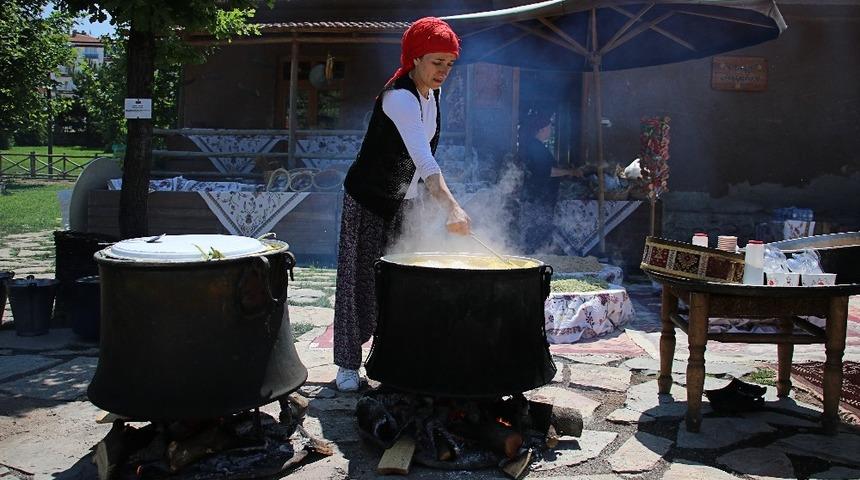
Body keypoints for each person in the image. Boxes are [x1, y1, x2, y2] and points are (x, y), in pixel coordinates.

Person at [333, 17, 471, 392]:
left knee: (398, 282)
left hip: (406, 201)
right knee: (357, 281)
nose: (443, 71)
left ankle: (390, 356)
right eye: (435, 62)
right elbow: (425, 161)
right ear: (414, 59)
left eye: (449, 63)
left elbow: (423, 165)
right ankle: (347, 365)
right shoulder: (399, 98)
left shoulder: (434, 95)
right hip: (369, 199)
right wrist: (452, 207)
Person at [517, 110, 580, 253]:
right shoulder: (536, 147)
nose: (550, 131)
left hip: (536, 198)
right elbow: (546, 171)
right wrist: (571, 172)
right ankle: (536, 261)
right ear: (541, 129)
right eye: (549, 127)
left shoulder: (534, 146)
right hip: (538, 198)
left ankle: (535, 258)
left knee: (534, 232)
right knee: (537, 233)